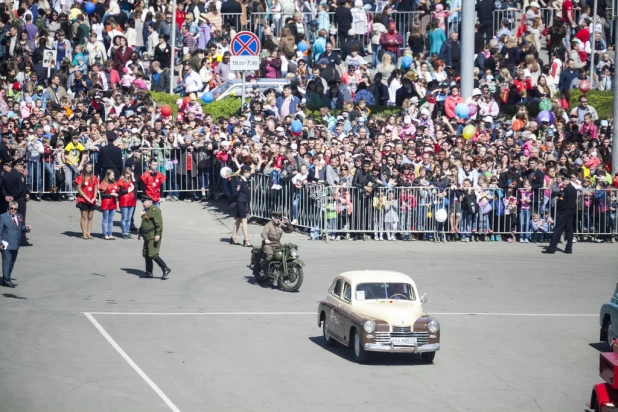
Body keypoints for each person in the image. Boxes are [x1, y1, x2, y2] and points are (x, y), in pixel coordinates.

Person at [543, 173, 578, 254]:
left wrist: (559, 201)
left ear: (568, 180)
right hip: (570, 211)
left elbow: (563, 202)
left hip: (565, 211)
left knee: (557, 229)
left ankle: (551, 249)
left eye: (565, 180)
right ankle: (569, 249)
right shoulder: (572, 189)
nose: (563, 181)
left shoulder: (568, 189)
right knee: (569, 229)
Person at [138, 195, 171, 279]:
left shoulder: (155, 210)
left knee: (153, 253)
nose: (142, 204)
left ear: (149, 202)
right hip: (146, 235)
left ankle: (165, 268)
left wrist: (158, 234)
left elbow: (159, 224)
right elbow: (146, 222)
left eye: (143, 202)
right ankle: (149, 272)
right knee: (146, 254)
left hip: (152, 235)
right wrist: (140, 231)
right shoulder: (147, 210)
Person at [0, 201, 31, 288]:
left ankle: (7, 278)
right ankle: (6, 280)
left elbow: (21, 229)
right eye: (11, 208)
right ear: (8, 208)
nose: (13, 210)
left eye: (15, 209)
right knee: (7, 262)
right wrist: (0, 243)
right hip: (5, 244)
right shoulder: (3, 217)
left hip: (15, 244)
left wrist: (27, 228)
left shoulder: (19, 216)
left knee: (12, 262)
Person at [1, 159, 31, 247]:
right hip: (19, 201)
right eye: (21, 167)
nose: (22, 168)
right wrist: (13, 197)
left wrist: (6, 196)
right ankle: (22, 240)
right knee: (20, 220)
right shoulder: (19, 176)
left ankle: (9, 238)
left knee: (10, 220)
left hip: (9, 201)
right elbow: (20, 188)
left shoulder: (6, 176)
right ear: (16, 166)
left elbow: (3, 188)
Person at [260, 210, 293, 286]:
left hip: (277, 244)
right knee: (270, 255)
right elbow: (264, 233)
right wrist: (266, 239)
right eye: (276, 217)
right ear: (272, 218)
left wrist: (287, 222)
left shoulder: (280, 225)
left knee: (287, 253)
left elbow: (290, 230)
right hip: (268, 244)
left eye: (279, 218)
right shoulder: (268, 225)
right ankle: (264, 270)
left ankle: (281, 271)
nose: (277, 219)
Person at [75, 163, 99, 240]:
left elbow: (96, 187)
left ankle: (89, 233)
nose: (89, 169)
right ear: (85, 168)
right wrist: (86, 197)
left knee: (90, 217)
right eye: (88, 168)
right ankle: (84, 233)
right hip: (83, 199)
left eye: (90, 168)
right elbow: (79, 189)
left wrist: (94, 197)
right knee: (84, 216)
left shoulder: (94, 177)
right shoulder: (80, 177)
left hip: (92, 199)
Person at [230, 165, 252, 246]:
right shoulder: (240, 181)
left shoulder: (245, 180)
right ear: (245, 172)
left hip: (244, 201)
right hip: (240, 201)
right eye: (248, 173)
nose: (249, 174)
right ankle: (246, 240)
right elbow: (236, 193)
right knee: (244, 220)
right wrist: (232, 201)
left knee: (239, 220)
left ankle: (233, 237)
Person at [99, 170, 119, 240]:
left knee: (111, 220)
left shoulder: (115, 183)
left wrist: (117, 195)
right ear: (107, 176)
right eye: (111, 176)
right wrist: (111, 194)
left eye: (113, 176)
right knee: (105, 219)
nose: (112, 177)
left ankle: (110, 233)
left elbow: (118, 192)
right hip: (106, 203)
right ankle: (105, 234)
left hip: (113, 203)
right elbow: (102, 195)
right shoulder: (104, 183)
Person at [117, 167, 136, 239]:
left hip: (131, 200)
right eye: (126, 173)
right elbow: (121, 191)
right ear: (124, 173)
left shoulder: (131, 180)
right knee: (124, 218)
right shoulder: (121, 180)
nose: (128, 175)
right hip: (124, 200)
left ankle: (127, 232)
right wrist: (129, 190)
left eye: (129, 174)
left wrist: (133, 177)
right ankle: (124, 232)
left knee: (129, 218)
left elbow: (136, 186)